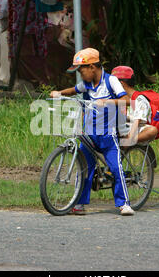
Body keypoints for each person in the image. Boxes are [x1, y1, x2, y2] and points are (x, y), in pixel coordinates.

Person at [49, 48, 135, 216]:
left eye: (82, 70)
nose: (81, 74)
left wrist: (108, 102)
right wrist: (59, 93)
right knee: (84, 168)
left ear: (93, 67)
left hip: (108, 134)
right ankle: (79, 204)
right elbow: (73, 90)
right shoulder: (87, 84)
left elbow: (126, 100)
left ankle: (123, 204)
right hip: (89, 134)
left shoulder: (112, 81)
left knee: (116, 168)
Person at [111, 66, 159, 147]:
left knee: (152, 130)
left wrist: (129, 139)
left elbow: (137, 121)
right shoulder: (121, 99)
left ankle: (127, 142)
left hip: (135, 130)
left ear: (121, 84)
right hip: (121, 128)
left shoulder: (139, 99)